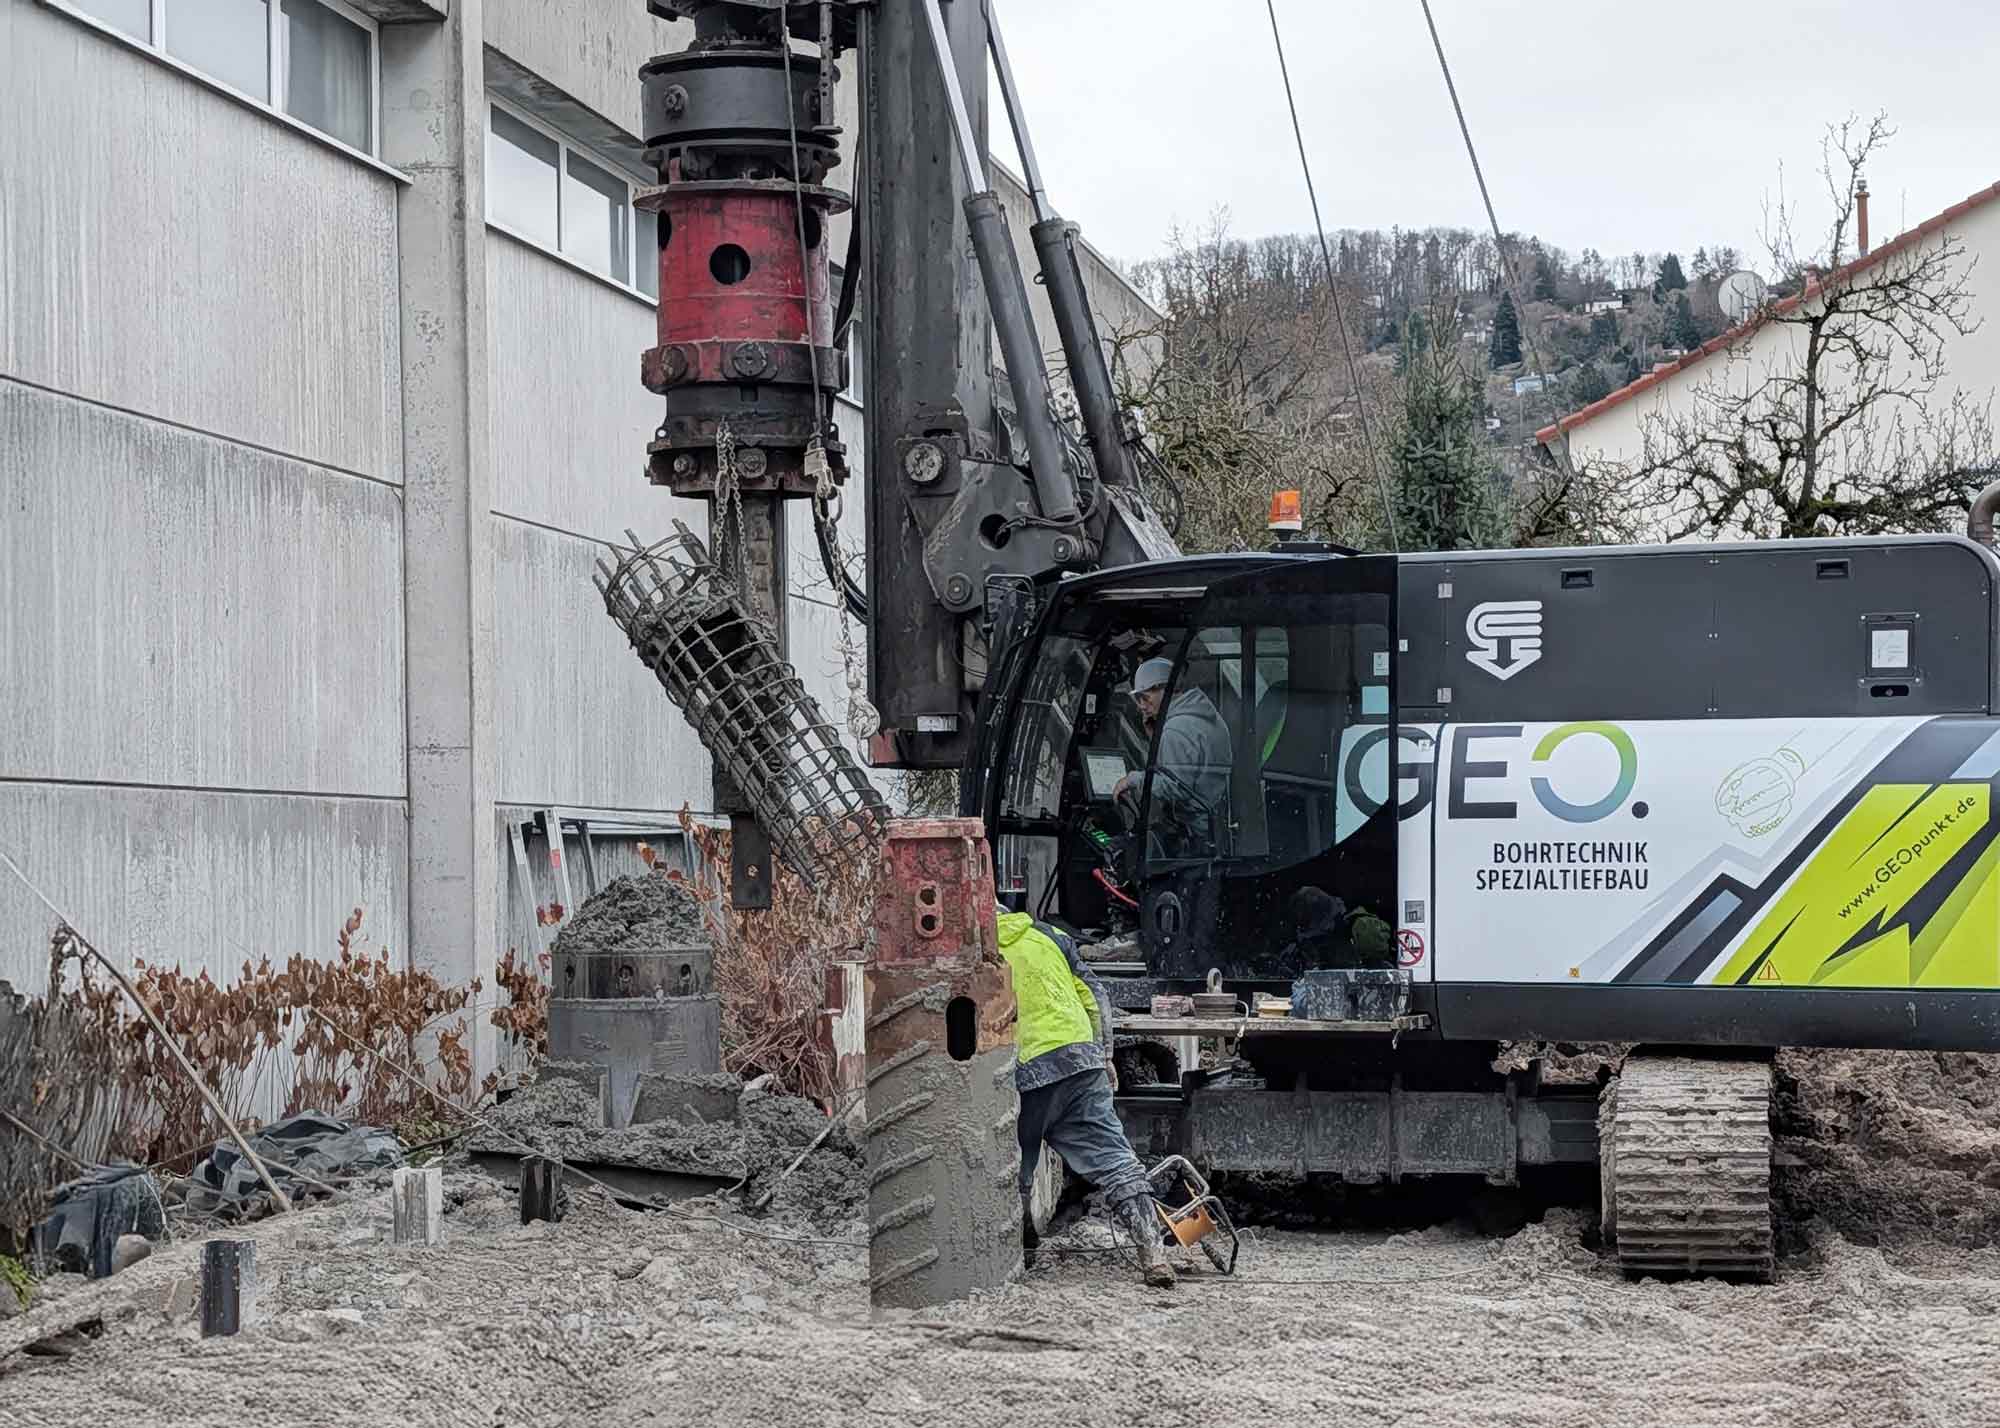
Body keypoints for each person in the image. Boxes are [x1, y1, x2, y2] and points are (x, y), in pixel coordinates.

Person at [996, 907, 1176, 1288]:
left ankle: (1023, 1250)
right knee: (1116, 1160)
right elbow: (1094, 996)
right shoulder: (1049, 937)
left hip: (1024, 1070)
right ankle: (1154, 1254)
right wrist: (1104, 1055)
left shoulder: (978, 948)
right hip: (1081, 1059)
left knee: (1014, 1168)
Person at [1114, 656, 1231, 849]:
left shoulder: (1176, 729)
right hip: (1216, 827)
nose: (1142, 705)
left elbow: (1174, 788)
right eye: (1138, 699)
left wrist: (1132, 780)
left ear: (1165, 688)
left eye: (1145, 697)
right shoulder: (1206, 713)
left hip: (1195, 835)